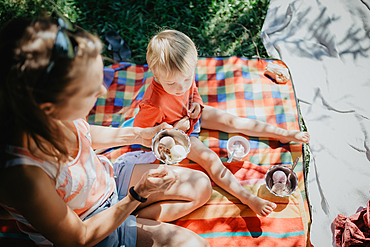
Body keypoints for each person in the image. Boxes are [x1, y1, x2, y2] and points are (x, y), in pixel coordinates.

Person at [0, 13, 212, 247]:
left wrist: (140, 135)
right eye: (90, 90)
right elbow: (79, 238)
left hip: (108, 180)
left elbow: (86, 134)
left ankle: (130, 222)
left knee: (200, 185)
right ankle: (125, 227)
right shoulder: (24, 176)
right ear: (51, 106)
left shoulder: (47, 114)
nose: (102, 90)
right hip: (90, 225)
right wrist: (137, 194)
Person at [133, 30, 311, 216]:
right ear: (155, 74)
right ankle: (248, 198)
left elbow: (191, 89)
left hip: (195, 114)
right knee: (211, 160)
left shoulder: (182, 78)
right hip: (182, 136)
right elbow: (140, 133)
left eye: (186, 78)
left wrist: (196, 101)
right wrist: (176, 130)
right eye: (171, 84)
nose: (181, 88)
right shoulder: (153, 104)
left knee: (234, 121)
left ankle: (283, 134)